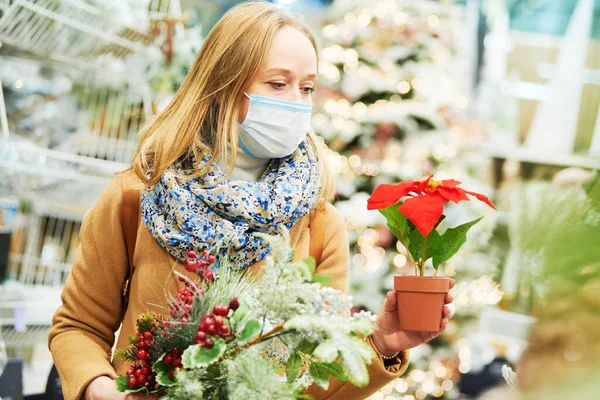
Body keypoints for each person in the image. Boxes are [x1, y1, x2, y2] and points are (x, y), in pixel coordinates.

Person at [48, 2, 454, 399]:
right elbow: (77, 327)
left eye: (307, 87)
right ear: (222, 84)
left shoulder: (317, 222)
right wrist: (99, 387)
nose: (296, 101)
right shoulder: (136, 196)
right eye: (278, 84)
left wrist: (380, 343)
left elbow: (312, 382)